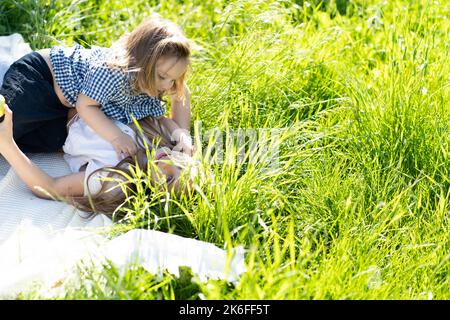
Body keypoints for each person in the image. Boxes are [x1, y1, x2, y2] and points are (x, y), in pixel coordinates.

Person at [0, 14, 193, 156]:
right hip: (40, 79)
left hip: (61, 108)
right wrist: (116, 136)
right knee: (7, 122)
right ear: (142, 63)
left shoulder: (153, 84)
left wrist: (180, 132)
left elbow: (169, 106)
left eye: (174, 79)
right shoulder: (114, 71)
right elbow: (86, 105)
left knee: (48, 142)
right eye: (163, 77)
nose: (168, 86)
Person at [0, 102, 198, 220]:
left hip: (51, 122)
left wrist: (6, 143)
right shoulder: (165, 141)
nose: (169, 164)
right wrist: (184, 137)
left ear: (154, 193)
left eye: (168, 179)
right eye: (181, 165)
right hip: (76, 87)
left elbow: (50, 187)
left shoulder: (116, 180)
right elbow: (180, 93)